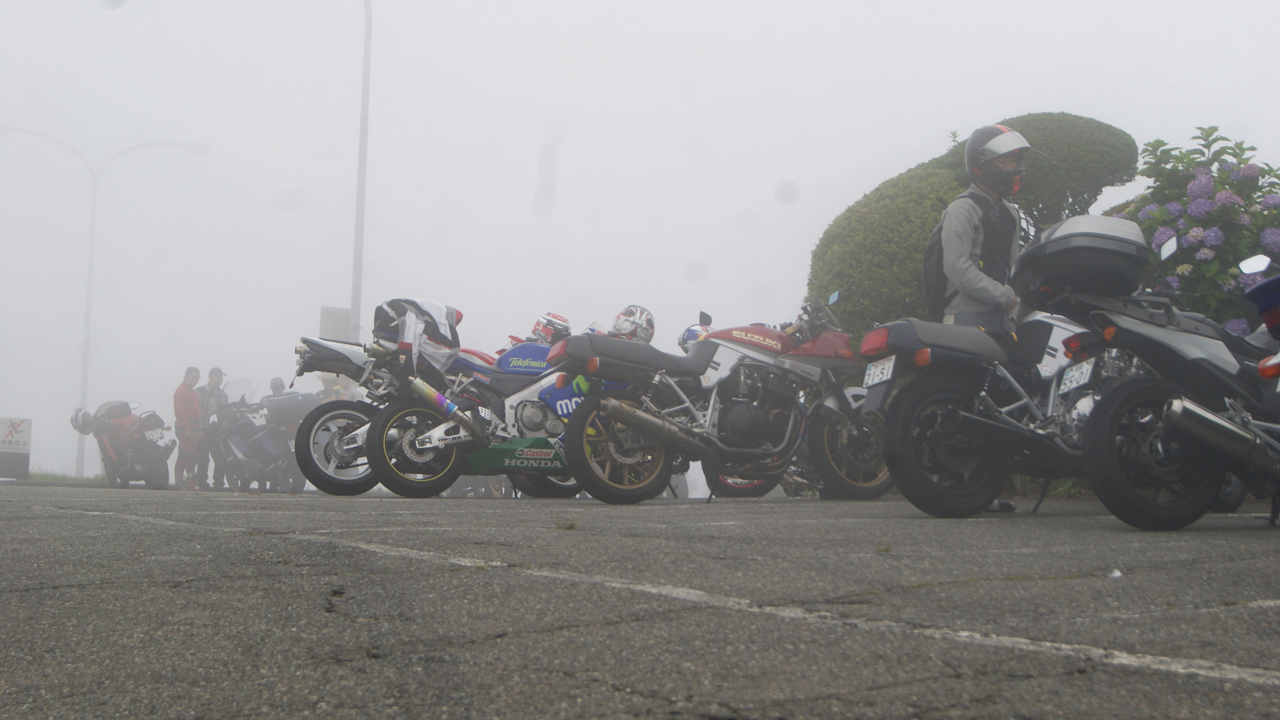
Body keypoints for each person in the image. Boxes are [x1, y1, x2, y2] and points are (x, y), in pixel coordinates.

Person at [938, 124, 1031, 512]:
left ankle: (985, 491)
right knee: (963, 403)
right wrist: (1004, 295)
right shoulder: (962, 209)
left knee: (998, 408)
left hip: (1001, 321)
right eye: (1006, 161)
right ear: (983, 164)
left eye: (1015, 160)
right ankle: (950, 485)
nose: (1013, 167)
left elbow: (1013, 268)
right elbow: (957, 268)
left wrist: (1017, 304)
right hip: (965, 317)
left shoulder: (1009, 213)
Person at [195, 367, 229, 490]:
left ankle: (218, 483)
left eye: (221, 377)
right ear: (210, 377)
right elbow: (195, 411)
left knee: (220, 457)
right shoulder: (201, 391)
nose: (219, 380)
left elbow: (225, 412)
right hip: (202, 429)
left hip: (215, 430)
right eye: (216, 377)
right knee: (203, 458)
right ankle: (201, 482)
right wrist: (198, 428)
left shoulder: (223, 395)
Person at [172, 367, 202, 490]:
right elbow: (180, 411)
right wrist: (186, 429)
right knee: (192, 455)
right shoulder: (182, 391)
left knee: (184, 454)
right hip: (185, 427)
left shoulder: (191, 391)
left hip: (193, 427)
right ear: (186, 377)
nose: (195, 380)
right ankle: (190, 484)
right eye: (192, 377)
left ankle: (180, 483)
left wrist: (198, 429)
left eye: (197, 378)